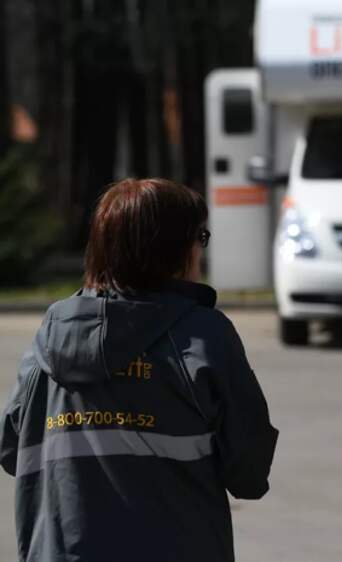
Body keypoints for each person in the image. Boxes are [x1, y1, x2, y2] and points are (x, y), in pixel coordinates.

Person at [0, 178, 279, 562]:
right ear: (173, 250)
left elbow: (11, 450)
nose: (201, 249)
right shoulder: (203, 336)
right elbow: (249, 473)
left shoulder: (49, 338)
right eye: (200, 237)